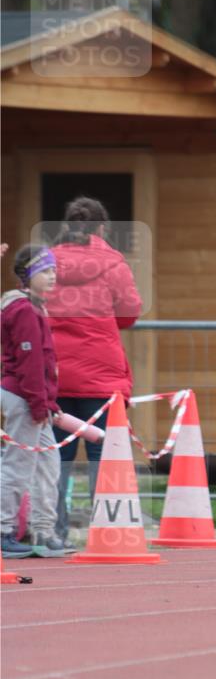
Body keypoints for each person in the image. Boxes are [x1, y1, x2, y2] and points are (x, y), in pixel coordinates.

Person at [48, 197, 143, 543]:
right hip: (101, 374)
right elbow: (129, 313)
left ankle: (52, 532)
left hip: (54, 373)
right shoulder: (113, 263)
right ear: (102, 228)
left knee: (56, 454)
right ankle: (106, 531)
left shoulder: (47, 262)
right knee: (104, 452)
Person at [1, 245, 64, 558]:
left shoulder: (37, 308)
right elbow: (29, 362)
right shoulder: (23, 310)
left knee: (47, 466)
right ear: (27, 277)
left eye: (53, 270)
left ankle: (43, 530)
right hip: (24, 399)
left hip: (37, 401)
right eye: (44, 271)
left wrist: (49, 404)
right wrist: (40, 404)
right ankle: (4, 530)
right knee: (18, 464)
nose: (52, 276)